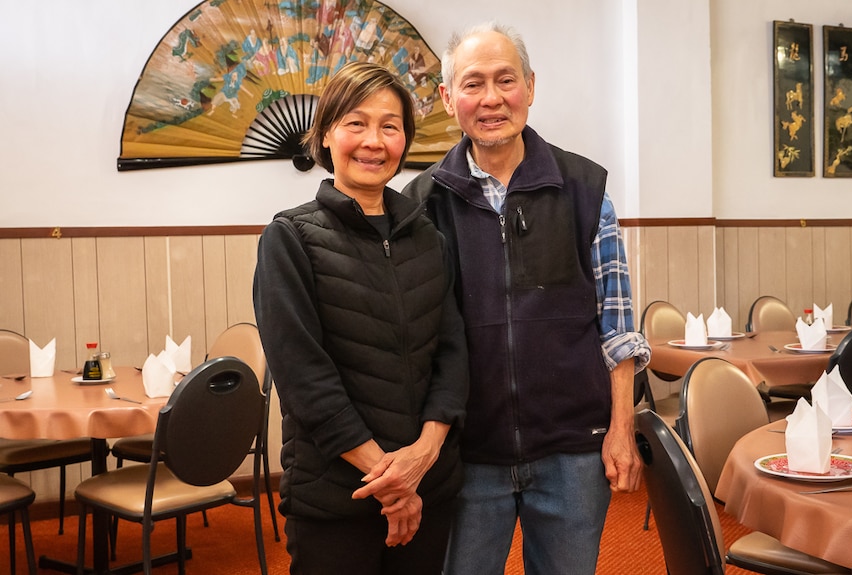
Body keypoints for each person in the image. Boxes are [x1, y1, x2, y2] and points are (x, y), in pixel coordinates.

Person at [402, 22, 651, 575]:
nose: (491, 99)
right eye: (472, 84)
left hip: (572, 452)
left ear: (531, 87)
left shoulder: (585, 190)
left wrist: (620, 429)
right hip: (467, 454)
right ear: (447, 98)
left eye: (505, 80)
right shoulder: (420, 205)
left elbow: (617, 324)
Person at [253, 61, 469, 575]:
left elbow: (453, 356)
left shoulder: (429, 240)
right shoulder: (289, 238)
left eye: (389, 126)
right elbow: (305, 379)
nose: (373, 141)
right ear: (327, 134)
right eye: (355, 122)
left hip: (429, 485)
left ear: (404, 141)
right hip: (336, 494)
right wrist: (390, 481)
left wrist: (422, 457)